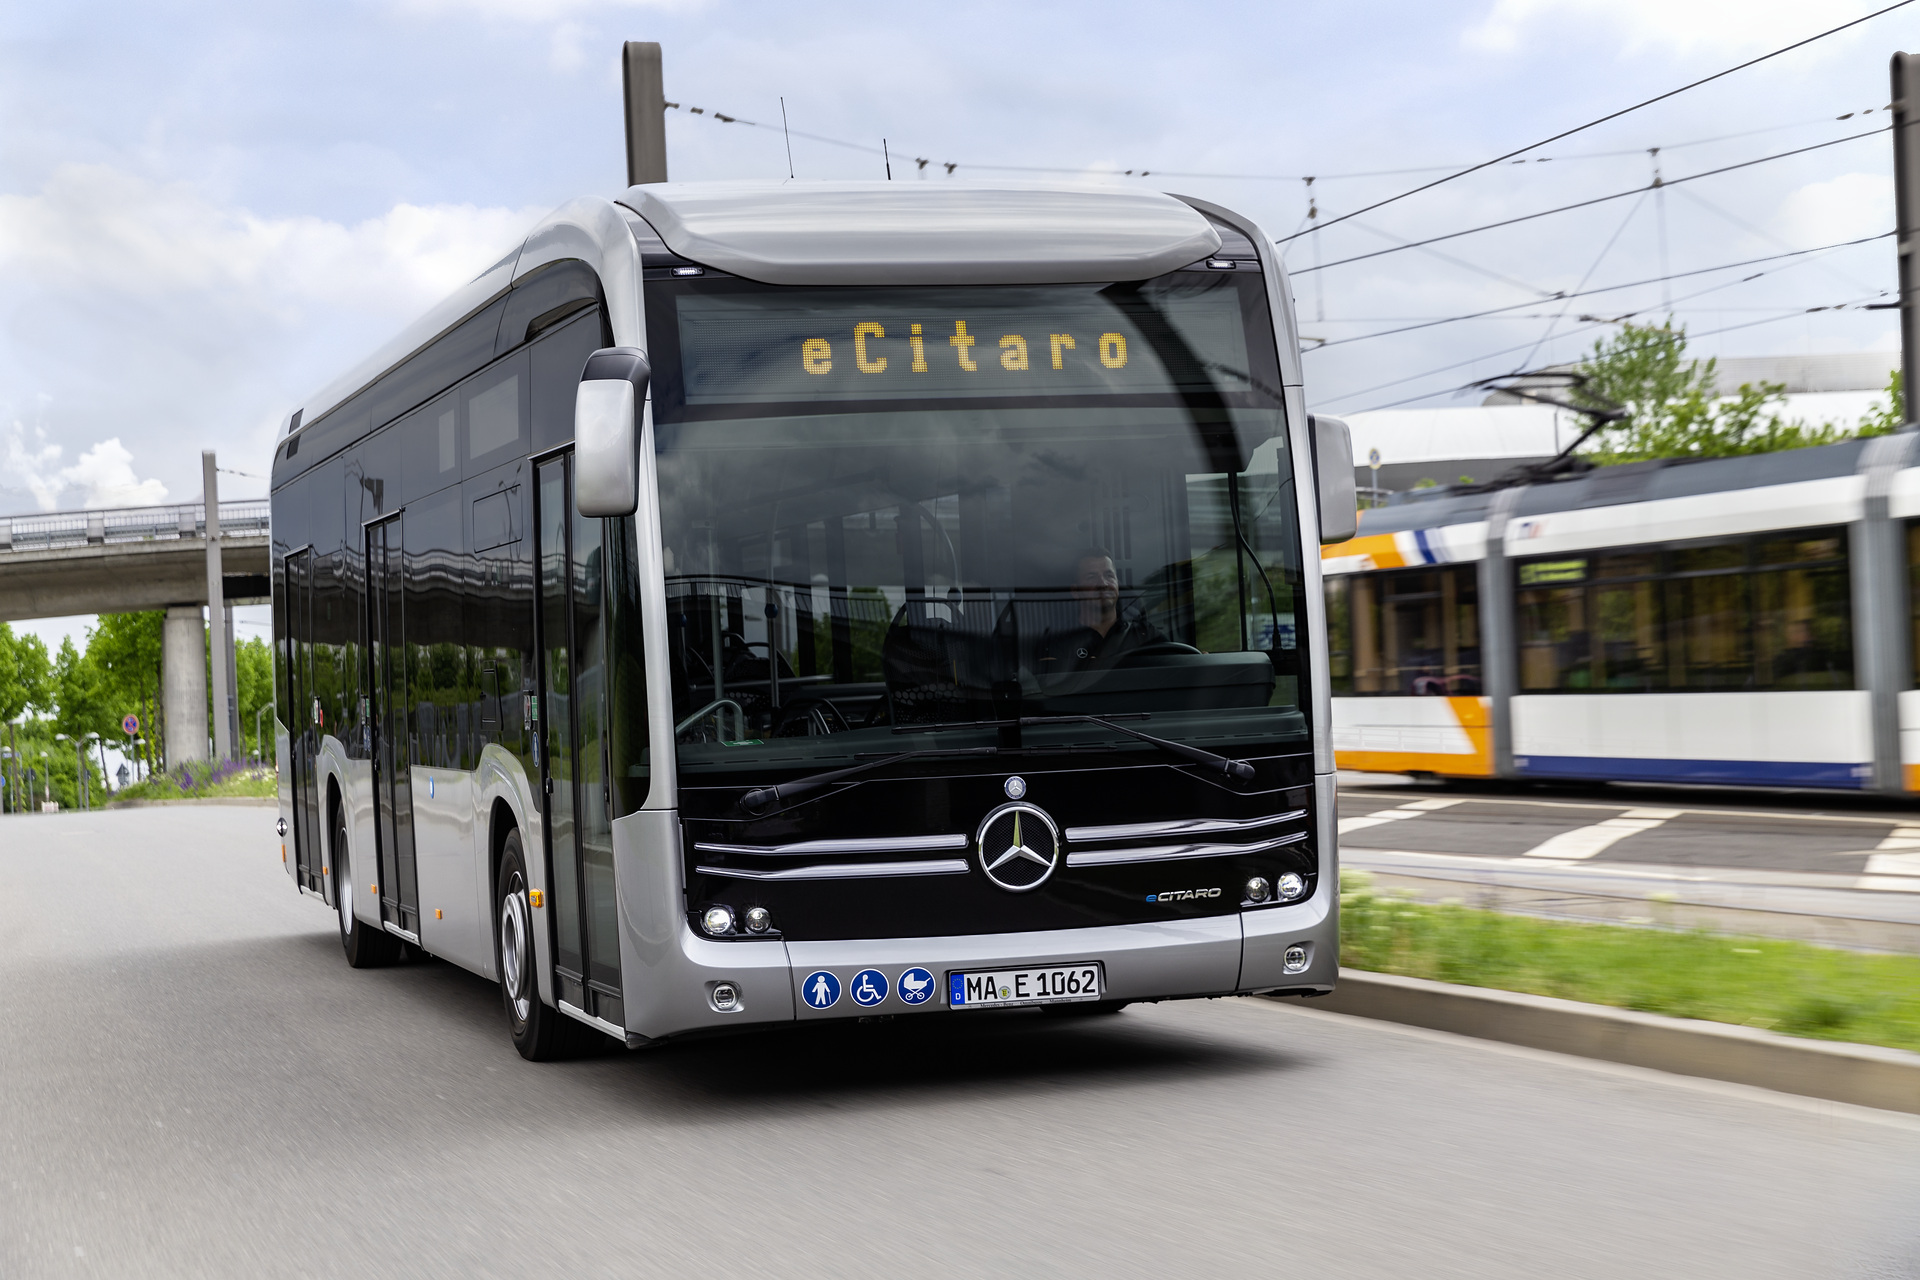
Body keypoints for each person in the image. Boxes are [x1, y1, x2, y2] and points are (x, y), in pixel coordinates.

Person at [1037, 547, 1164, 671]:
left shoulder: (1144, 633)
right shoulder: (1059, 642)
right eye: (1092, 577)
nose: (1103, 584)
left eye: (1109, 576)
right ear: (1075, 591)